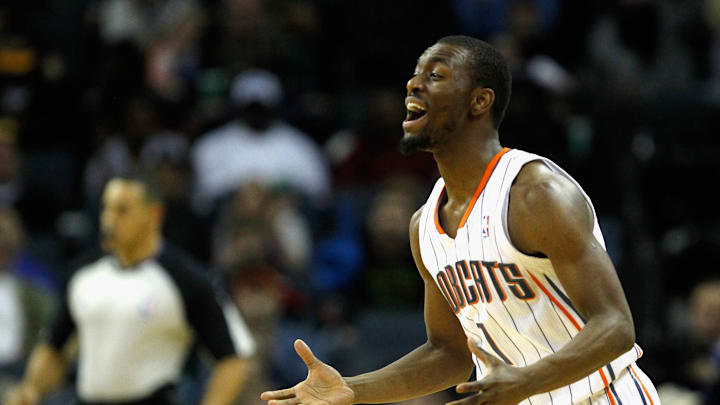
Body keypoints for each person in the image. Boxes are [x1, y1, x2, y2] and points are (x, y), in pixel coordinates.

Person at [260, 35, 660, 405]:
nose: (413, 86)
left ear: (479, 101)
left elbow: (615, 325)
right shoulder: (424, 225)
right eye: (415, 76)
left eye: (434, 76)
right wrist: (351, 390)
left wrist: (527, 380)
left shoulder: (534, 194)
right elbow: (449, 354)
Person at [4, 173, 255, 405]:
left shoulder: (187, 278)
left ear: (154, 214)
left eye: (122, 210)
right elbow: (55, 347)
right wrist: (31, 389)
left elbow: (232, 359)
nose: (110, 220)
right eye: (106, 209)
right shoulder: (84, 273)